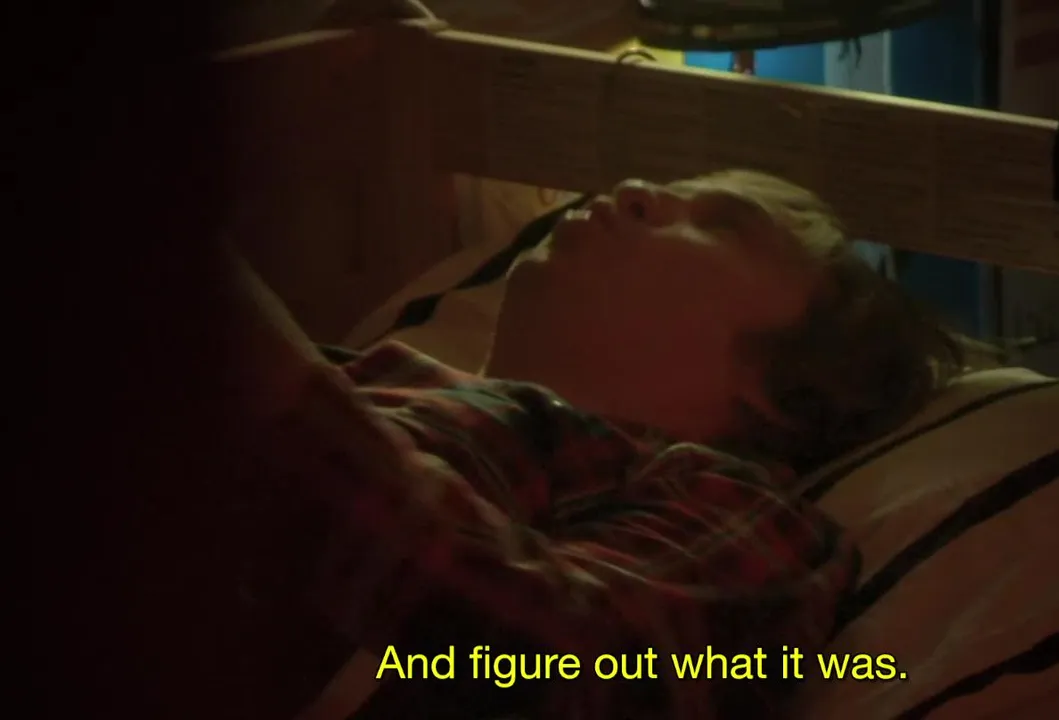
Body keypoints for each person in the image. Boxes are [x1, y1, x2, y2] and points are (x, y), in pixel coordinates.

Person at [249, 169, 969, 720]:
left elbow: (566, 662)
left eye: (721, 224)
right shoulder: (378, 379)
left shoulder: (732, 508)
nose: (635, 189)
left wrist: (273, 380)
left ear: (786, 392)